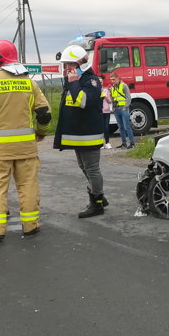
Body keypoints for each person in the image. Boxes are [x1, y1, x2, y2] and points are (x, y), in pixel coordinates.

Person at [0, 40, 52, 241]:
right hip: (26, 147)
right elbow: (44, 113)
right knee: (28, 185)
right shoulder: (29, 82)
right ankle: (30, 225)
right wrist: (41, 132)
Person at [53, 45, 107, 218]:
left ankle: (97, 203)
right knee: (83, 166)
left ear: (80, 64)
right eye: (66, 65)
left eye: (70, 64)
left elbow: (83, 101)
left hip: (89, 134)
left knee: (92, 169)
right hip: (78, 134)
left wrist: (74, 82)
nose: (67, 68)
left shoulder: (91, 81)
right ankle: (99, 195)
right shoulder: (73, 80)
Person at [109, 71, 135, 149]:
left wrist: (125, 107)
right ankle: (124, 143)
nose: (112, 81)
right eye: (111, 80)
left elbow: (128, 97)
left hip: (123, 109)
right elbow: (113, 98)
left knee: (127, 126)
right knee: (120, 127)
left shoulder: (124, 86)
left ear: (117, 78)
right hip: (117, 109)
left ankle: (132, 143)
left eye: (114, 79)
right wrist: (113, 107)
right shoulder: (112, 88)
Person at [101, 78, 113, 149]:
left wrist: (106, 97)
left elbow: (110, 101)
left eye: (101, 82)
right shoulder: (95, 91)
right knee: (100, 128)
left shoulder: (106, 90)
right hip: (99, 111)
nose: (100, 83)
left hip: (106, 111)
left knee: (106, 127)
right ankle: (100, 143)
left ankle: (107, 142)